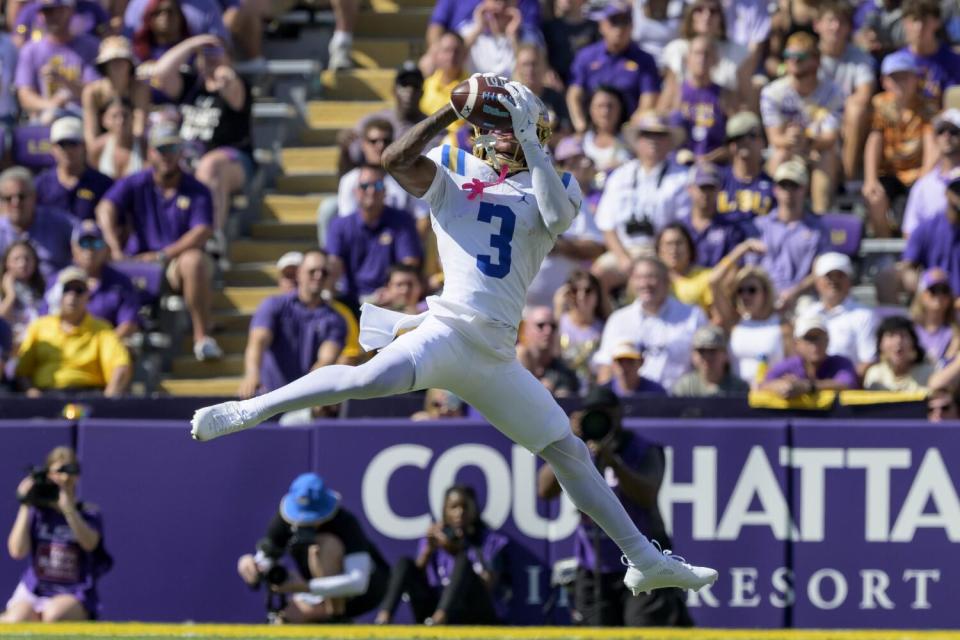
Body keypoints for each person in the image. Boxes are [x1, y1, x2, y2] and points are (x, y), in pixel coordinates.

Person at [193, 82, 718, 596]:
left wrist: (531, 146)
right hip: (445, 331)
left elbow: (557, 217)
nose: (509, 134)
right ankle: (251, 410)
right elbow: (396, 160)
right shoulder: (454, 166)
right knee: (366, 378)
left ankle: (645, 560)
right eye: (503, 126)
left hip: (495, 357)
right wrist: (450, 109)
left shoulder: (554, 184)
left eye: (519, 127)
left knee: (568, 451)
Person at [537, 387, 690, 626]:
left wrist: (615, 463)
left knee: (641, 631)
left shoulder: (643, 449)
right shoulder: (576, 451)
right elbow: (544, 491)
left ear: (619, 414)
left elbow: (647, 496)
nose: (600, 422)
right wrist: (565, 443)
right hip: (594, 568)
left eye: (605, 414)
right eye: (593, 415)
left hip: (642, 564)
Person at [96, 122, 223, 361]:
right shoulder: (137, 182)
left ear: (181, 152)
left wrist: (164, 254)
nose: (167, 156)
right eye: (161, 149)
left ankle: (202, 337)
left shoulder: (196, 188)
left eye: (172, 149)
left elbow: (203, 230)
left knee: (193, 261)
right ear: (150, 152)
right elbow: (105, 207)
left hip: (174, 262)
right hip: (137, 262)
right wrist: (113, 247)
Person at [236, 473, 390, 623]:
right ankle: (323, 618)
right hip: (316, 591)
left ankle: (336, 617)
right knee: (285, 620)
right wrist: (250, 565)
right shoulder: (283, 520)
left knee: (325, 546)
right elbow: (266, 558)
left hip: (366, 592)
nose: (305, 524)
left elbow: (358, 583)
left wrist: (305, 587)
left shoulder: (345, 523)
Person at [151, 35, 255, 238]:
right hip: (187, 157)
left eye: (216, 52)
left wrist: (225, 75)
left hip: (233, 160)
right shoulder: (191, 85)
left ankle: (211, 237)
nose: (210, 58)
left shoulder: (239, 84)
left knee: (210, 166)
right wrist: (192, 43)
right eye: (205, 54)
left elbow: (234, 93)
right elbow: (160, 73)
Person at [1, 446, 111, 622]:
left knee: (53, 615)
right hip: (35, 589)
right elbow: (17, 551)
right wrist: (25, 503)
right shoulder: (38, 513)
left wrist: (68, 509)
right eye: (58, 472)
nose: (64, 478)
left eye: (69, 471)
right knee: (16, 619)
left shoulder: (89, 514)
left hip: (73, 591)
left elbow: (90, 544)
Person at [375, 485, 509, 625]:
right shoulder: (436, 538)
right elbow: (415, 578)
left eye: (465, 506)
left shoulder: (489, 541)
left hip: (473, 612)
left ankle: (439, 620)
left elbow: (488, 585)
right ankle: (383, 619)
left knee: (463, 561)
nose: (460, 512)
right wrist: (428, 551)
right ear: (445, 511)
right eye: (454, 507)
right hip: (433, 607)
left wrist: (455, 551)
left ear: (474, 509)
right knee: (405, 563)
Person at [238, 250, 347, 400]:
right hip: (267, 398)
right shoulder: (273, 305)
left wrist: (304, 396)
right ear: (300, 273)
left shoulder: (336, 319)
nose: (318, 276)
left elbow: (326, 360)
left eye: (324, 272)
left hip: (304, 401)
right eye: (312, 271)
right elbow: (258, 342)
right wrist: (252, 374)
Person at [594, 113, 689, 277]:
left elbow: (682, 226)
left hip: (662, 252)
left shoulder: (683, 178)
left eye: (660, 135)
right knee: (598, 274)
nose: (653, 140)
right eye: (647, 135)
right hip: (625, 250)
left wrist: (663, 253)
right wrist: (623, 258)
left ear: (669, 142)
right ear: (637, 141)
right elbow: (606, 225)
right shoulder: (620, 175)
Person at [759, 31, 844, 214]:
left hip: (817, 151)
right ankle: (768, 216)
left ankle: (821, 216)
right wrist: (790, 140)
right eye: (789, 56)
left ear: (816, 60)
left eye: (800, 56)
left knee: (826, 156)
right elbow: (775, 138)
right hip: (787, 151)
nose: (793, 60)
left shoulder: (833, 92)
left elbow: (829, 138)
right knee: (779, 155)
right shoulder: (772, 93)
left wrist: (805, 139)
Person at [15, 266, 131, 397]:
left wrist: (105, 404)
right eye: (67, 289)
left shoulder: (102, 329)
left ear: (88, 296)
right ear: (57, 294)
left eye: (79, 290)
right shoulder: (39, 326)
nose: (72, 296)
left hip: (89, 397)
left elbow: (120, 366)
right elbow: (22, 373)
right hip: (46, 397)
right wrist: (32, 395)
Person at [594, 257, 707, 390]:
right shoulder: (618, 320)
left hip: (677, 401)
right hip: (632, 403)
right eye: (639, 278)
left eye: (651, 277)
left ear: (667, 281)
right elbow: (605, 365)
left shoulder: (693, 316)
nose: (645, 284)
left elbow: (705, 362)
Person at [862, 50, 937, 237]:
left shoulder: (927, 107)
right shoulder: (880, 104)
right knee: (874, 196)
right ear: (884, 81)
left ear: (915, 79)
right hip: (889, 173)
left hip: (918, 173)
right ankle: (885, 245)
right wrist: (870, 179)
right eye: (895, 77)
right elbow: (874, 140)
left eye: (905, 76)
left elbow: (931, 146)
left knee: (922, 198)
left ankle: (910, 250)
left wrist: (924, 180)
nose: (900, 82)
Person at [325, 164, 423, 306]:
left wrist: (391, 292)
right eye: (365, 186)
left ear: (385, 191)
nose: (371, 191)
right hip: (350, 298)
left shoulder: (402, 221)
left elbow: (409, 264)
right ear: (356, 192)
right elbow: (333, 264)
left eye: (377, 185)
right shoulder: (339, 225)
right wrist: (329, 289)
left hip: (391, 299)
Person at [528, 136, 605, 307]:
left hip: (563, 307)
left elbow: (596, 246)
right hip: (513, 305)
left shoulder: (570, 195)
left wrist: (559, 245)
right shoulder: (509, 191)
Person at [744, 160, 829, 309]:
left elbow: (820, 271)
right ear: (775, 189)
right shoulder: (759, 226)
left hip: (803, 297)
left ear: (804, 189)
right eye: (783, 185)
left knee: (809, 314)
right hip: (763, 295)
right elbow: (751, 268)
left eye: (794, 186)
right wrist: (767, 293)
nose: (788, 191)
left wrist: (794, 293)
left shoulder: (819, 229)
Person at [566, 1, 660, 133]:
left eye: (624, 22)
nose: (619, 29)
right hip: (592, 129)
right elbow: (574, 94)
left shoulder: (644, 60)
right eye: (613, 22)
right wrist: (580, 125)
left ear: (632, 26)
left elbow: (649, 99)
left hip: (628, 130)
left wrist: (629, 128)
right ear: (602, 25)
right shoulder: (586, 56)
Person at [813, 0, 876, 181]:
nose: (836, 27)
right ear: (817, 25)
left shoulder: (860, 57)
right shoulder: (808, 56)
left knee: (856, 109)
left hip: (846, 121)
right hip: (815, 119)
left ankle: (848, 178)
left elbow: (864, 94)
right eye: (831, 20)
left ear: (849, 28)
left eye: (842, 22)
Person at [46, 220, 141, 340]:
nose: (89, 250)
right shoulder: (58, 280)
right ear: (73, 247)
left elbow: (129, 324)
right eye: (84, 243)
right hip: (60, 350)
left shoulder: (121, 283)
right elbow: (44, 321)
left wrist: (99, 347)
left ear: (105, 248)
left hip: (104, 352)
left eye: (96, 243)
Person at [14, 0, 100, 123]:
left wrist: (63, 80)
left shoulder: (90, 46)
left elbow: (96, 93)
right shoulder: (30, 50)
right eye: (46, 12)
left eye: (57, 10)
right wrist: (51, 105)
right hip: (44, 120)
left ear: (70, 10)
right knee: (47, 118)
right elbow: (24, 96)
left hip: (82, 118)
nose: (51, 16)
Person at [712, 262, 789, 386]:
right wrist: (744, 247)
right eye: (740, 291)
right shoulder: (734, 322)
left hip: (768, 397)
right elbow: (714, 281)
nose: (745, 296)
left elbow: (792, 366)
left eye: (752, 290)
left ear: (765, 293)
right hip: (736, 398)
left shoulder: (783, 326)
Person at [802, 252, 878, 376]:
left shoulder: (865, 315)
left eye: (840, 275)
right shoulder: (806, 314)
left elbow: (868, 361)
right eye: (828, 276)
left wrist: (844, 383)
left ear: (850, 280)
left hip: (848, 390)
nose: (834, 281)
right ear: (817, 281)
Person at [0, 166, 76, 282]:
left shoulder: (58, 222)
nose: (15, 203)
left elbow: (84, 234)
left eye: (21, 196)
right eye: (8, 198)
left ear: (33, 196)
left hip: (55, 294)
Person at [80, 36, 150, 159]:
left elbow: (139, 127)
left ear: (130, 64)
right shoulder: (92, 92)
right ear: (104, 65)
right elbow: (91, 134)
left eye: (121, 60)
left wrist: (130, 153)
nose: (117, 65)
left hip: (132, 149)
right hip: (101, 150)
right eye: (112, 61)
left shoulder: (140, 89)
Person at [34, 117, 114, 222]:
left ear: (84, 146)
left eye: (73, 144)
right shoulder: (40, 184)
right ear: (53, 149)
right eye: (62, 145)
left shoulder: (103, 184)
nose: (68, 151)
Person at [759, 314, 858, 398]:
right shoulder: (789, 365)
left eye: (819, 338)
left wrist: (808, 386)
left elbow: (846, 384)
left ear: (827, 341)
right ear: (797, 343)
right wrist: (782, 386)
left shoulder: (841, 363)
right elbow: (763, 385)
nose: (815, 345)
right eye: (809, 338)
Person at [900, 167, 960, 296]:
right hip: (934, 298)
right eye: (957, 190)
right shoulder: (926, 228)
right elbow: (908, 266)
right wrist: (920, 288)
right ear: (946, 192)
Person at [902, 109, 960, 238]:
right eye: (940, 132)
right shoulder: (923, 185)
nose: (946, 136)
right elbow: (910, 232)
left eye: (953, 131)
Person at [895, 0, 960, 107]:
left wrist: (941, 98)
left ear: (937, 21)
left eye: (925, 20)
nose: (919, 27)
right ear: (904, 22)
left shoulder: (955, 62)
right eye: (914, 19)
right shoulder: (896, 63)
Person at [679, 162, 744, 268]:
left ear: (719, 190)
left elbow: (736, 266)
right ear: (690, 189)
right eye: (702, 187)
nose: (706, 193)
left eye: (711, 188)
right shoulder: (680, 227)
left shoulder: (730, 229)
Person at [554, 269, 610, 389]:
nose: (581, 296)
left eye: (588, 290)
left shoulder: (606, 327)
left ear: (597, 295)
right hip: (564, 387)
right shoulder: (558, 323)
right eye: (574, 290)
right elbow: (553, 354)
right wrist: (558, 307)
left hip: (594, 390)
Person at [717, 112, 775, 224]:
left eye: (752, 136)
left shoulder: (773, 186)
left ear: (764, 142)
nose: (746, 142)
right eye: (738, 138)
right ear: (730, 145)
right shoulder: (717, 182)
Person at [459, 0, 535, 79]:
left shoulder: (529, 35)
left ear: (515, 4)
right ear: (485, 3)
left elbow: (530, 70)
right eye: (496, 1)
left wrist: (513, 38)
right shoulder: (466, 31)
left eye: (507, 2)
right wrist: (478, 29)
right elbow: (453, 58)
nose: (501, 7)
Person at [517, 305, 580, 398]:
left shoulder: (564, 372)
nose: (548, 331)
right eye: (541, 325)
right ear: (526, 330)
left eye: (553, 326)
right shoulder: (513, 361)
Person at [672, 325, 749, 396]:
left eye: (712, 351)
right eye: (701, 351)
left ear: (725, 354)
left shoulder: (739, 389)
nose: (707, 357)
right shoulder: (684, 387)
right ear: (693, 355)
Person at [863, 315, 934, 392]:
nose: (898, 341)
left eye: (903, 335)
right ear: (880, 344)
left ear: (913, 342)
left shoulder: (928, 373)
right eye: (891, 335)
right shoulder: (875, 374)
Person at [0, 240, 46, 348]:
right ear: (6, 263)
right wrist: (10, 295)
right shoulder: (3, 290)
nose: (22, 264)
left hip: (37, 344)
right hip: (10, 347)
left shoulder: (43, 288)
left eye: (27, 259)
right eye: (16, 259)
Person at [910, 268, 960, 367]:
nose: (939, 295)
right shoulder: (910, 327)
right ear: (922, 295)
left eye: (944, 290)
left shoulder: (956, 328)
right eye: (934, 290)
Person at [90, 97, 146, 180]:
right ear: (104, 120)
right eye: (114, 116)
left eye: (125, 115)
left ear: (133, 118)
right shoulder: (97, 148)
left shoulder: (144, 146)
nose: (120, 121)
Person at [580, 86, 632, 173]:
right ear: (590, 109)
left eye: (610, 106)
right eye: (600, 106)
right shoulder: (581, 142)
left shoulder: (632, 140)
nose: (605, 112)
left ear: (621, 108)